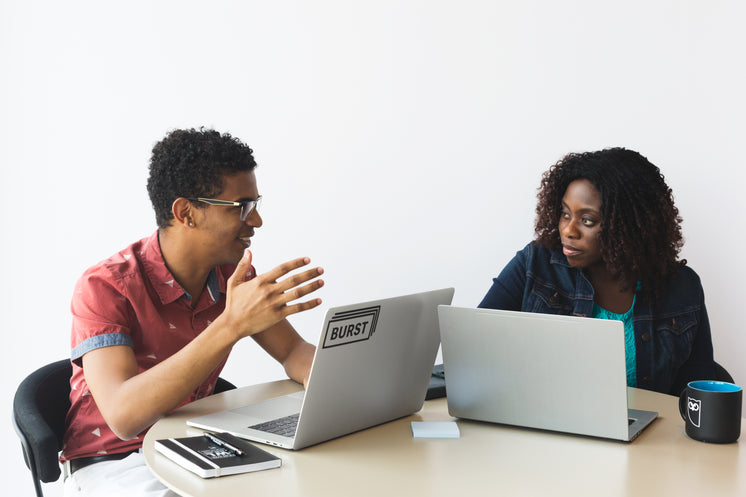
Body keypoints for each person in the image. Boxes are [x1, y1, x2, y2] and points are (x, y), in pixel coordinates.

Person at [61, 128, 324, 496]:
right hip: (115, 464)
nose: (257, 222)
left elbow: (294, 352)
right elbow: (124, 418)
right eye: (242, 207)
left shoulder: (232, 276)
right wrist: (231, 325)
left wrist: (346, 388)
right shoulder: (105, 287)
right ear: (186, 213)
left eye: (256, 205)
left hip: (197, 445)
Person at [478, 147, 717, 395]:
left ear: (629, 227)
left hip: (646, 431)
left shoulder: (682, 287)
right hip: (541, 424)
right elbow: (475, 345)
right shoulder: (535, 264)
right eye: (565, 214)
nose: (569, 230)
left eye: (587, 220)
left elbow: (700, 391)